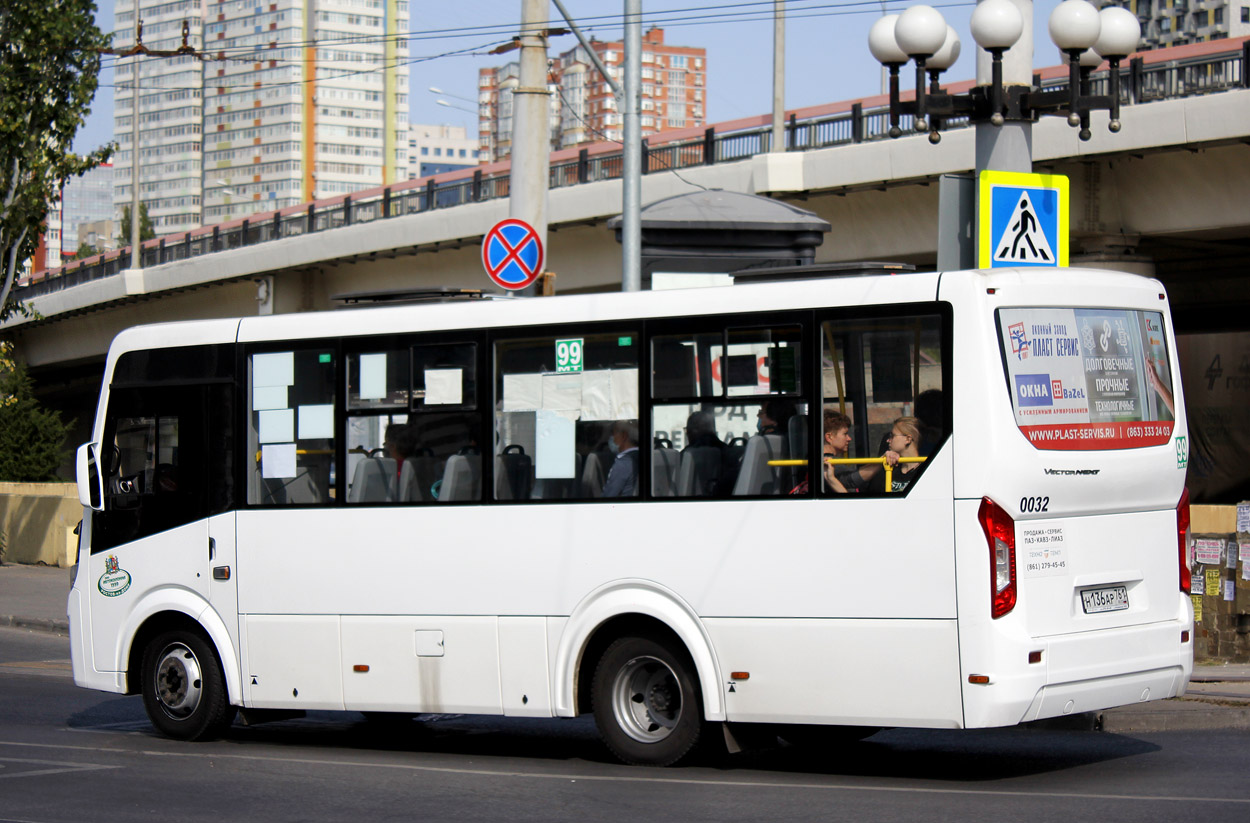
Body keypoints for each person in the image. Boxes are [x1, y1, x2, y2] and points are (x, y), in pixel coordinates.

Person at [864, 416, 923, 494]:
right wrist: (881, 461)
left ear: (908, 439)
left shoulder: (926, 470)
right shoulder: (888, 467)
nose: (888, 440)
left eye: (892, 436)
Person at [602, 419, 640, 498]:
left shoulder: (623, 464)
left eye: (613, 433)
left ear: (623, 436)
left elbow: (608, 498)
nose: (611, 438)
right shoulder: (645, 457)